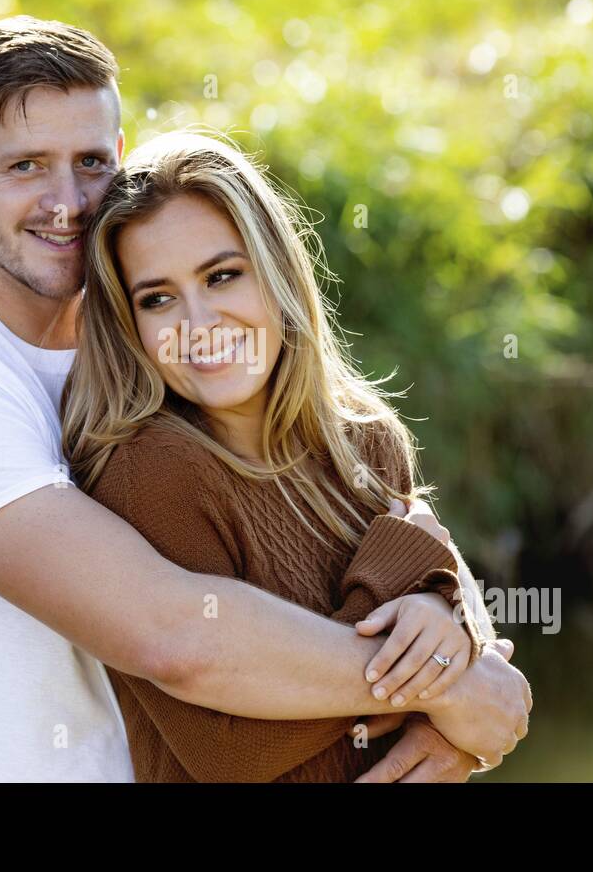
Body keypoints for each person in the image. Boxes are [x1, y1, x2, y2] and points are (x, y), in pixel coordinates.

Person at [0, 15, 530, 782]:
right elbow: (174, 635)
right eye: (26, 166)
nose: (66, 201)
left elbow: (399, 522)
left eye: (90, 162)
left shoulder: (156, 356)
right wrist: (450, 690)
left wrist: (457, 637)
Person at [63, 131, 491, 781]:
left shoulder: (366, 438)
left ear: (277, 269)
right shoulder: (152, 472)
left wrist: (438, 623)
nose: (199, 323)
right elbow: (228, 750)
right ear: (131, 324)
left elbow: (452, 672)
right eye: (158, 298)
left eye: (222, 275)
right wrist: (413, 616)